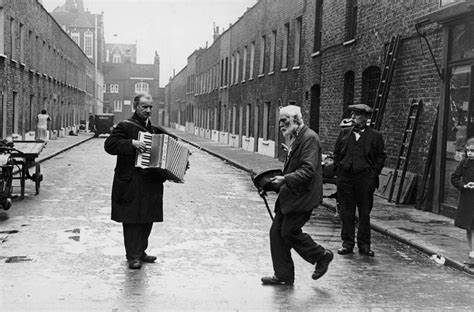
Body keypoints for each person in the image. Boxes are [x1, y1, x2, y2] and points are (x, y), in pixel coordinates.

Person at [104, 93, 179, 270]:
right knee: (131, 219)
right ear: (135, 107)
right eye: (144, 107)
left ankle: (141, 251)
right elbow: (109, 145)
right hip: (130, 180)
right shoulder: (124, 126)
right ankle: (132, 256)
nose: (148, 110)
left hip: (151, 181)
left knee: (147, 217)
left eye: (150, 107)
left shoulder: (155, 131)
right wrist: (131, 144)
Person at [261, 105, 333, 286]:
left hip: (303, 197)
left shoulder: (309, 139)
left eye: (284, 121)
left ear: (296, 119)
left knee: (289, 232)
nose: (281, 125)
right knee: (277, 234)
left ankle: (321, 256)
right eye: (279, 121)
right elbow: (294, 169)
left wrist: (285, 180)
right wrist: (271, 185)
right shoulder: (296, 138)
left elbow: (308, 170)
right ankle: (283, 276)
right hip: (291, 197)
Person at [333, 104, 386, 257]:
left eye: (357, 115)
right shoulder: (344, 133)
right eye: (353, 115)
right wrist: (339, 169)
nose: (353, 118)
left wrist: (373, 174)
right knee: (346, 213)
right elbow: (337, 153)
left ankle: (364, 245)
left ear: (365, 118)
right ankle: (347, 244)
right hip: (346, 179)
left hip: (365, 180)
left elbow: (381, 157)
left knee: (364, 213)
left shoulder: (375, 136)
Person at [451, 137, 474, 261]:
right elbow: (454, 177)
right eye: (469, 150)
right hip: (467, 199)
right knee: (469, 227)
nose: (470, 153)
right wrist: (464, 185)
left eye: (473, 151)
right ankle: (472, 251)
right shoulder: (464, 163)